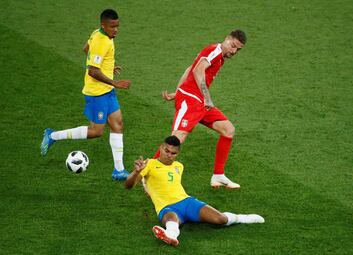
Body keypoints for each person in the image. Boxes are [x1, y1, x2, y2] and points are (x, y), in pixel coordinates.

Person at [40, 9, 131, 180]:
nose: (116, 30)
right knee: (96, 131)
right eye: (112, 27)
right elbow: (92, 71)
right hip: (97, 92)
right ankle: (52, 135)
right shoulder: (101, 41)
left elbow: (86, 49)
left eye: (117, 26)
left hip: (106, 91)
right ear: (103, 25)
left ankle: (118, 170)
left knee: (117, 124)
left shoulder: (98, 34)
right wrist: (114, 82)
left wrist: (108, 67)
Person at [125, 136, 264, 247]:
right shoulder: (149, 164)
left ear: (177, 153)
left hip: (187, 202)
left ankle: (243, 218)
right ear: (161, 148)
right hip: (166, 207)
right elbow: (128, 185)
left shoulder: (179, 166)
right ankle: (171, 235)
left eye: (173, 153)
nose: (169, 155)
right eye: (166, 151)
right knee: (171, 219)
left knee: (220, 219)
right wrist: (136, 172)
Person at [155, 29, 247, 189]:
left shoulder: (219, 58)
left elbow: (190, 68)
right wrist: (206, 96)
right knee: (176, 140)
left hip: (199, 101)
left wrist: (176, 93)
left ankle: (218, 175)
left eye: (237, 49)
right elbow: (198, 70)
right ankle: (148, 173)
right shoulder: (215, 51)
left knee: (228, 130)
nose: (233, 51)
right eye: (232, 45)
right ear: (227, 39)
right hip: (192, 100)